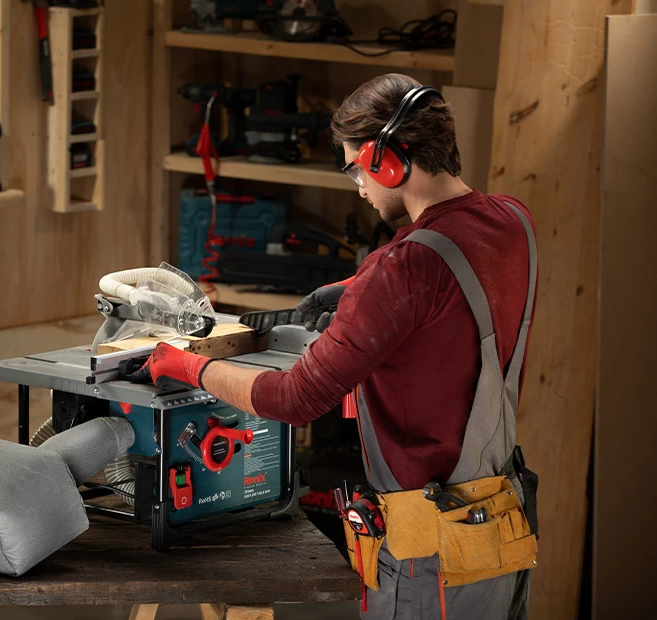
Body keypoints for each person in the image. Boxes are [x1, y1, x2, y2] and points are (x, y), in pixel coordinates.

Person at [134, 73, 539, 619]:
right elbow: (459, 283)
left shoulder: (403, 268)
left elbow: (294, 399)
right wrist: (356, 290)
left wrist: (187, 365)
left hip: (430, 557)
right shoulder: (512, 221)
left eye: (355, 168)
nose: (359, 187)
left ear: (388, 162)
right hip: (499, 532)